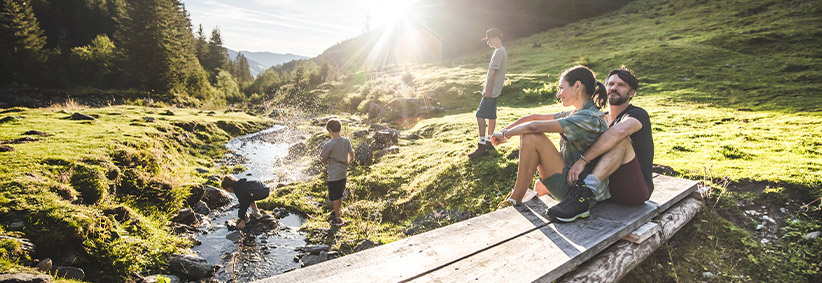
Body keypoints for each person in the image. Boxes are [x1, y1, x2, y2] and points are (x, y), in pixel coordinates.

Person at [489, 65, 608, 223]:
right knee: (530, 135)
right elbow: (534, 117)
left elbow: (534, 126)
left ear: (578, 86)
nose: (558, 94)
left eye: (561, 88)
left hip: (578, 194)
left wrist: (505, 135)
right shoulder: (578, 113)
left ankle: (514, 200)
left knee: (532, 137)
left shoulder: (588, 118)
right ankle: (516, 198)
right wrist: (504, 131)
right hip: (573, 182)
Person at [566, 66, 654, 206]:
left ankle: (585, 190)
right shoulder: (602, 118)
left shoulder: (637, 114)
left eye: (621, 85)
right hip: (605, 189)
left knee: (621, 140)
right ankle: (578, 189)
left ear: (631, 93)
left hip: (634, 189)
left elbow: (618, 132)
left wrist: (582, 161)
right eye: (611, 84)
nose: (614, 88)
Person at [468, 28, 508, 159]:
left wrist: (488, 90)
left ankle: (482, 145)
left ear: (496, 37)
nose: (488, 42)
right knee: (491, 116)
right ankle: (489, 141)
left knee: (480, 115)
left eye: (489, 39)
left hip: (491, 91)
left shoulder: (499, 52)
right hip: (495, 91)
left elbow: (493, 73)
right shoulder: (501, 51)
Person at [320, 119, 354, 227]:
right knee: (339, 194)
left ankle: (338, 219)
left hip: (334, 174)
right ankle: (339, 212)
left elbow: (324, 160)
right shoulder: (346, 141)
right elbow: (352, 155)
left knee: (334, 197)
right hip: (343, 172)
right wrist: (346, 164)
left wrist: (324, 162)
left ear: (329, 130)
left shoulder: (329, 144)